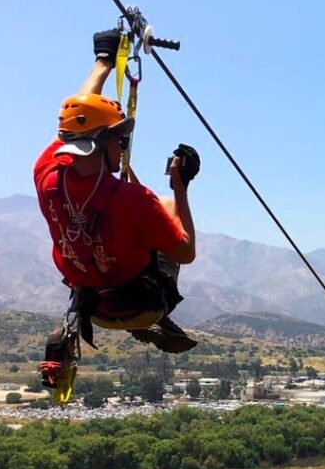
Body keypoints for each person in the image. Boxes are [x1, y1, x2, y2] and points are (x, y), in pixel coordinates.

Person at [34, 27, 201, 353]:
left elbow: (76, 121)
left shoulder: (46, 173)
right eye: (119, 138)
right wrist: (181, 188)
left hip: (93, 304)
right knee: (166, 206)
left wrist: (102, 64)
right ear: (102, 143)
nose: (123, 144)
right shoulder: (135, 202)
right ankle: (151, 314)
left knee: (142, 221)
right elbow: (187, 252)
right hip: (141, 304)